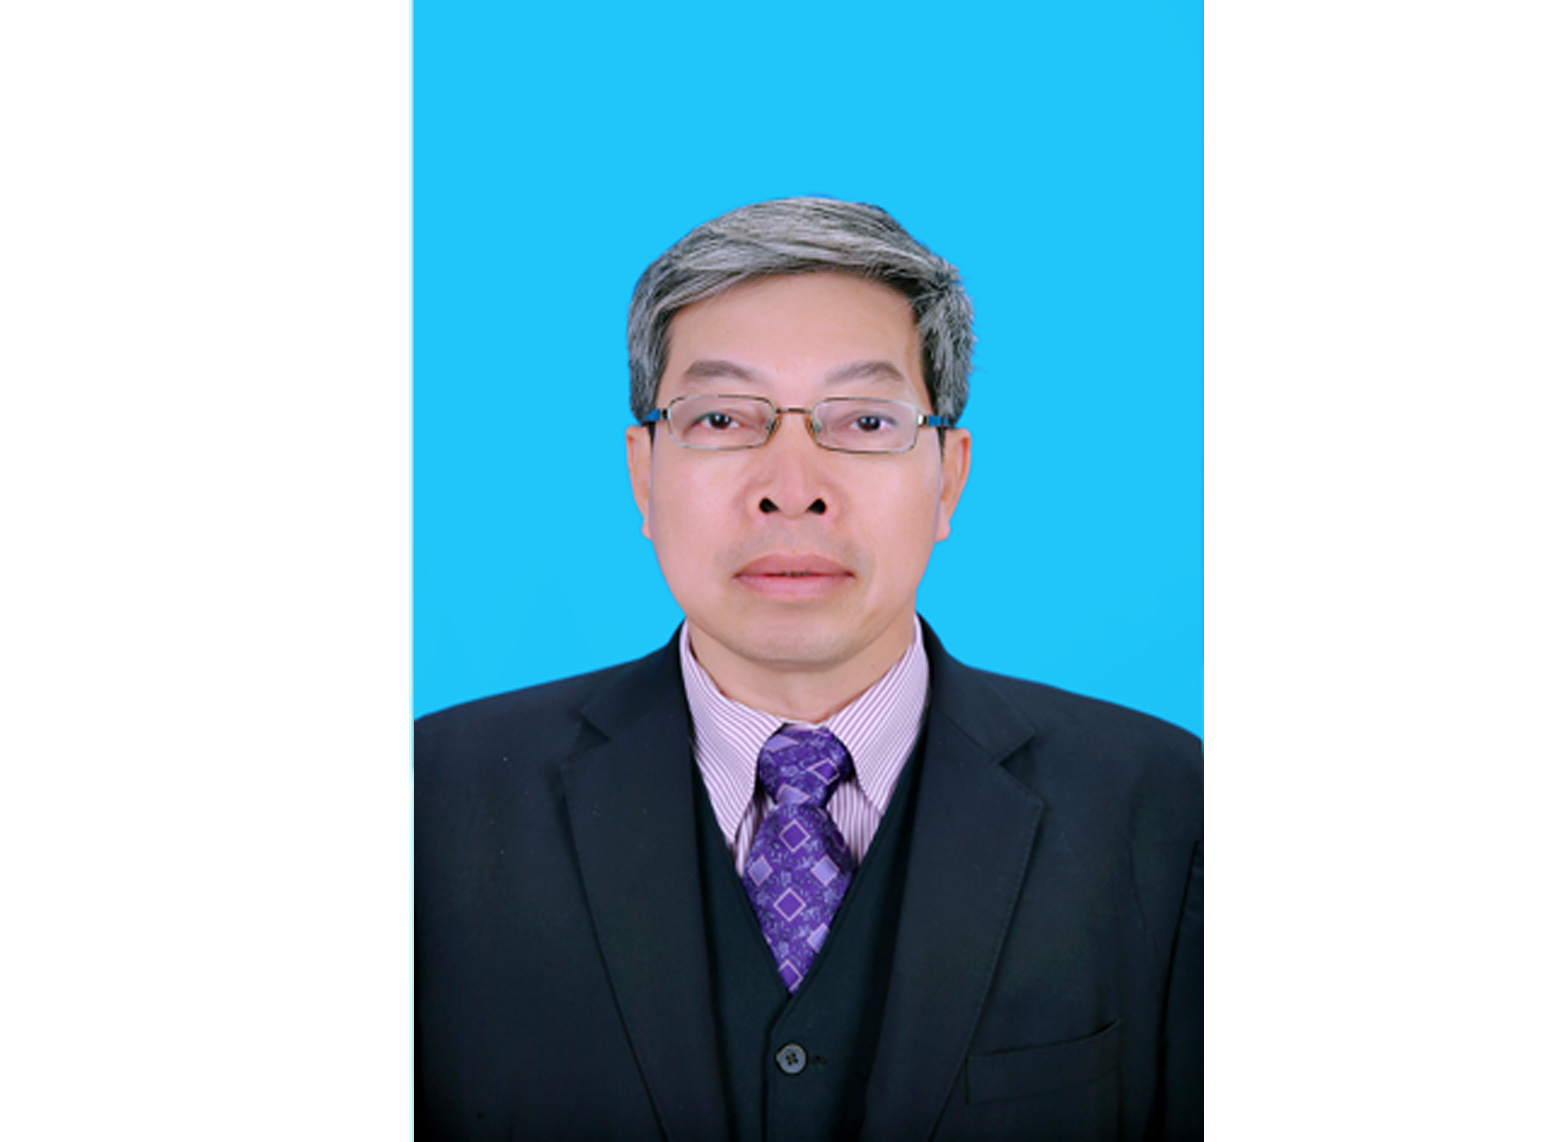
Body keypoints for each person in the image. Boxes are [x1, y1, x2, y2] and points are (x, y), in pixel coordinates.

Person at [415, 197, 1202, 1141]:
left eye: (864, 420)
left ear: (948, 476)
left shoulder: (1167, 810)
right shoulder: (427, 802)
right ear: (643, 472)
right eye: (720, 417)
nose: (792, 491)